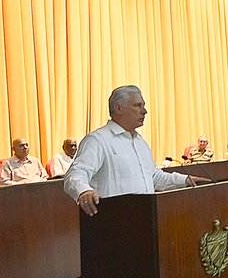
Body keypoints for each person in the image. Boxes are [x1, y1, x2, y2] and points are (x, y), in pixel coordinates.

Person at [65, 85, 209, 216]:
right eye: (138, 106)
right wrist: (83, 191)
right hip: (112, 221)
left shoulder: (140, 142)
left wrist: (186, 180)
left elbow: (154, 178)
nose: (144, 111)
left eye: (143, 106)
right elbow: (75, 175)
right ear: (119, 108)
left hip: (145, 218)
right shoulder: (98, 140)